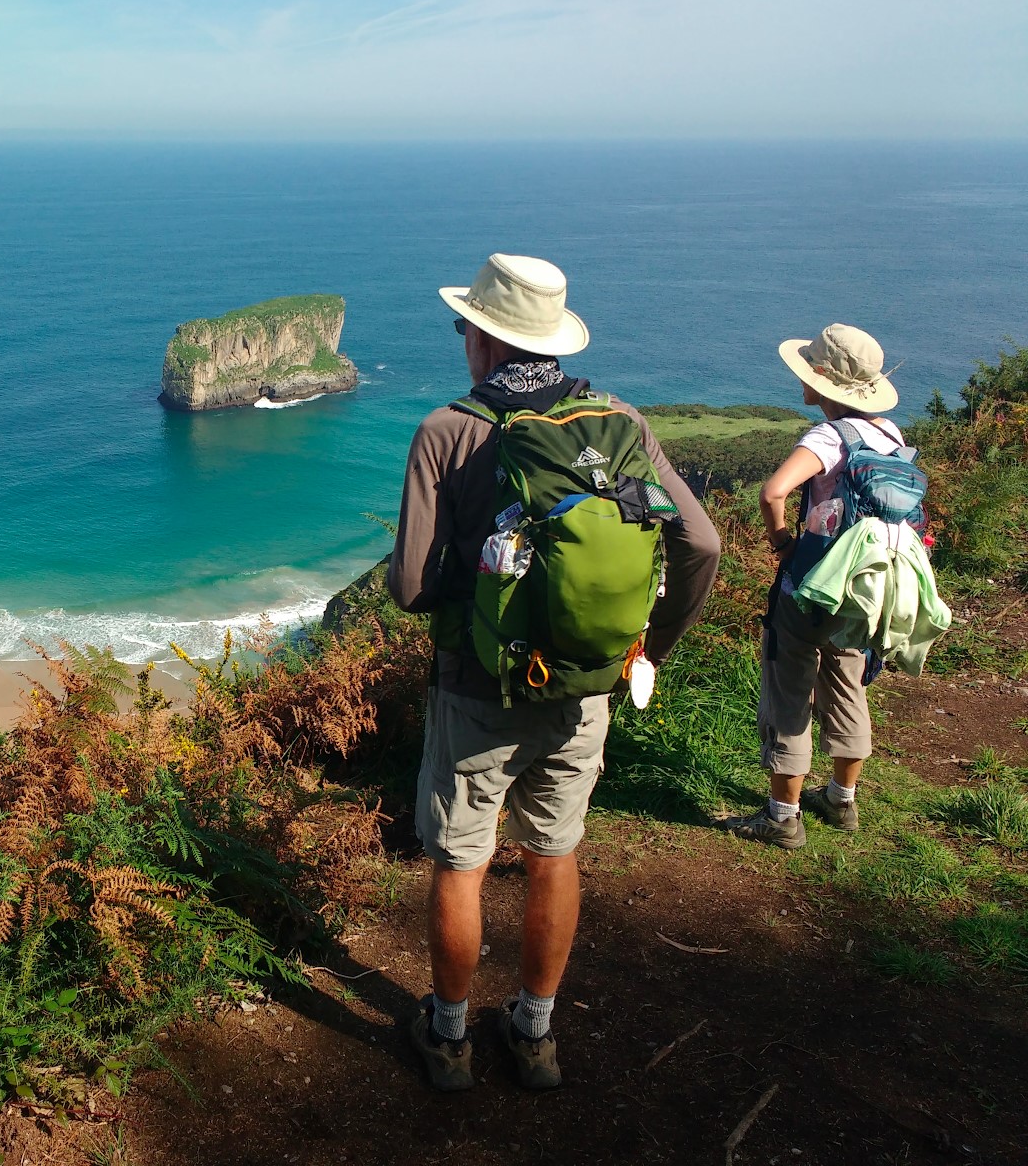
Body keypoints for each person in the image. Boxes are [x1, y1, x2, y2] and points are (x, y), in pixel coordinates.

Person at [387, 253, 720, 1091]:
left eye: (466, 325)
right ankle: (534, 1037)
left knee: (462, 860)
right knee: (554, 851)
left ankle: (451, 1039)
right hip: (588, 686)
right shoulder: (618, 420)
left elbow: (412, 588)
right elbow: (702, 544)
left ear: (489, 341)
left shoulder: (448, 431)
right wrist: (645, 647)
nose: (461, 336)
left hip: (478, 687)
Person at [723, 324, 905, 850]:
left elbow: (773, 491)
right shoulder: (889, 434)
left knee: (790, 689)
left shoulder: (829, 436)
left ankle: (783, 817)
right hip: (865, 587)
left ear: (823, 384)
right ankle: (842, 802)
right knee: (848, 685)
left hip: (812, 584)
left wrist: (782, 544)